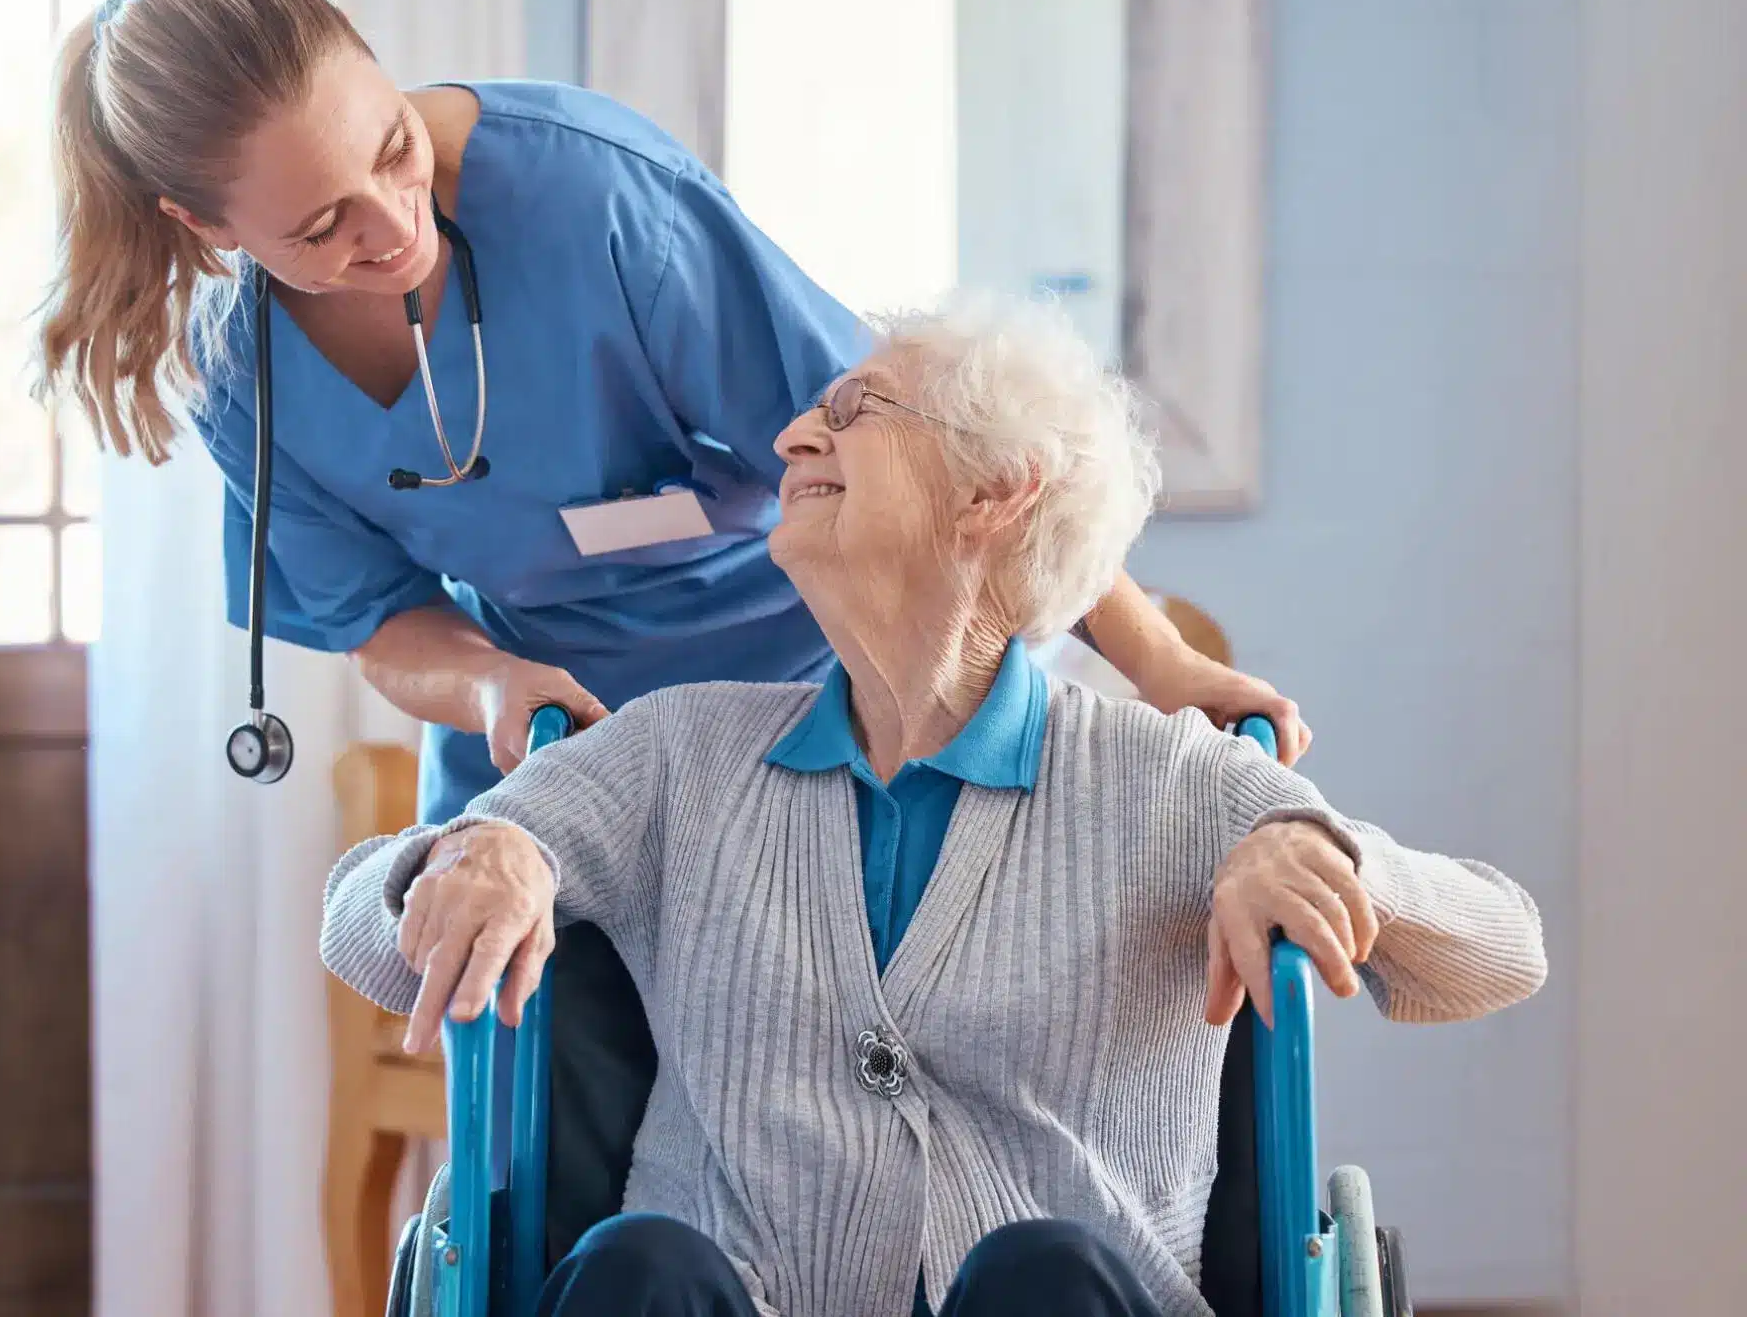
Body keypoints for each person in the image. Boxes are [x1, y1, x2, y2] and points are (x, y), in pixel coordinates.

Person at [319, 296, 1547, 1317]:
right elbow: (354, 929)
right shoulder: (678, 755)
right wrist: (471, 856)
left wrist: (1319, 858)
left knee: (1043, 1270)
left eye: (853, 412)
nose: (795, 436)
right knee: (638, 1267)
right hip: (716, 1294)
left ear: (994, 494)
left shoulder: (1171, 782)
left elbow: (1500, 948)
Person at [38, 0, 1310, 830]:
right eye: (320, 228)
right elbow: (378, 620)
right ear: (205, 230)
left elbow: (933, 449)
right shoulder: (238, 371)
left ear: (378, 66)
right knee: (543, 1106)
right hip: (564, 745)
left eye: (393, 149)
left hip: (823, 691)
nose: (392, 227)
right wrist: (487, 687)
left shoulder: (594, 201)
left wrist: (1155, 665)